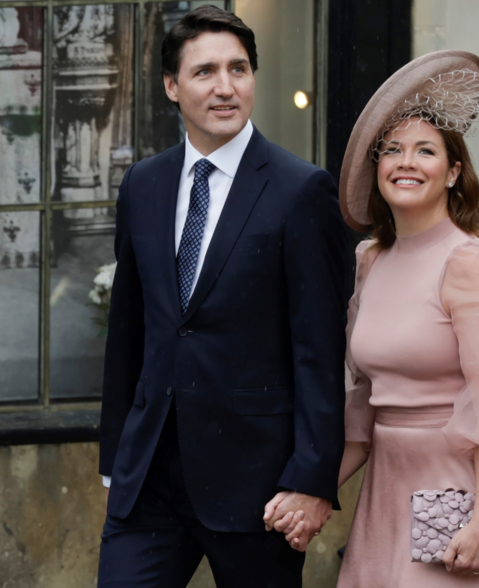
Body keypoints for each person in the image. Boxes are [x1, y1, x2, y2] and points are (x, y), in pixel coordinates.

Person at [96, 5, 347, 587]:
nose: (226, 87)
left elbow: (319, 350)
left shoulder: (301, 191)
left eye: (239, 69)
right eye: (206, 71)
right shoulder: (144, 184)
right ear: (172, 86)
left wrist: (311, 479)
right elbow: (129, 329)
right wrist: (116, 461)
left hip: (257, 490)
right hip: (150, 482)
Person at [277, 50, 479, 585]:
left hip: (456, 499)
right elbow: (366, 409)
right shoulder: (371, 260)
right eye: (392, 150)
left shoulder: (470, 261)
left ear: (453, 172)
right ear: (377, 168)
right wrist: (311, 491)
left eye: (426, 151)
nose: (406, 162)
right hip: (385, 496)